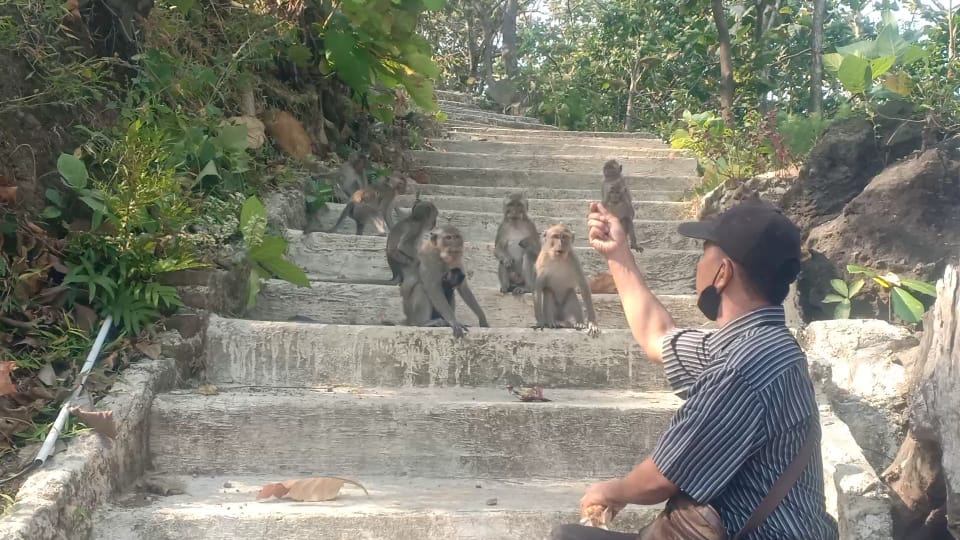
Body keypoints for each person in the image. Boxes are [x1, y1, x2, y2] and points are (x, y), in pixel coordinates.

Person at [549, 199, 840, 540]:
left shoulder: (740, 366)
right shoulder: (761, 343)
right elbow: (657, 336)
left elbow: (660, 479)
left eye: (704, 253)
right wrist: (618, 254)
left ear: (722, 273)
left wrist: (611, 491)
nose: (698, 265)